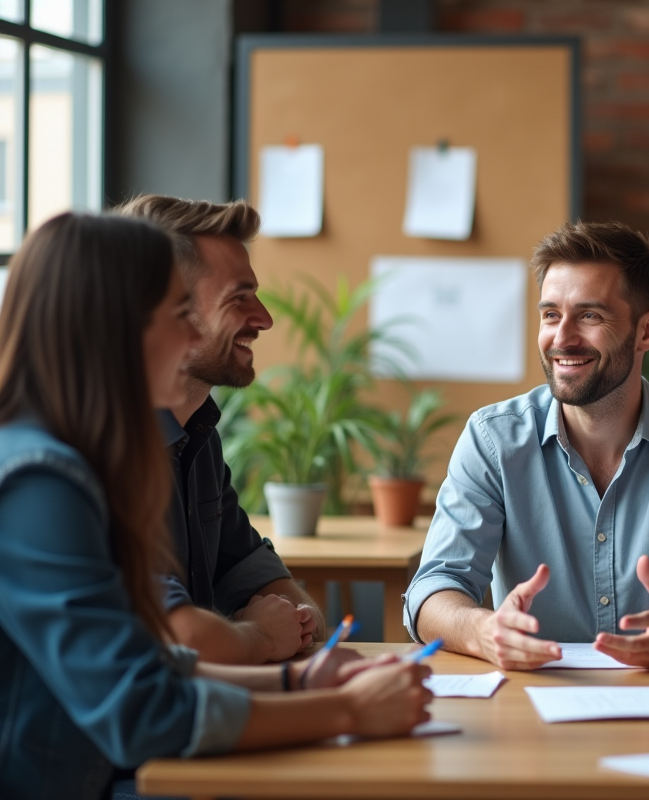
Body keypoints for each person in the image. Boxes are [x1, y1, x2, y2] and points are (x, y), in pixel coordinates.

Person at [0, 213, 432, 800]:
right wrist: (346, 712)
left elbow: (148, 665)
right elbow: (141, 710)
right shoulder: (38, 480)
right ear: (117, 328)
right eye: (178, 315)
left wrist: (300, 681)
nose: (188, 339)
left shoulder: (79, 462)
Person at [404, 221, 649, 669]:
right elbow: (433, 587)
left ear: (648, 331)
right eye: (551, 315)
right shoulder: (492, 439)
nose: (562, 338)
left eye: (589, 315)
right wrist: (481, 631)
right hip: (532, 701)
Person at [116, 195, 322, 664]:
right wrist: (263, 637)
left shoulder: (199, 434)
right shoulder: (100, 446)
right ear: (167, 309)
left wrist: (298, 617)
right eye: (239, 297)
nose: (265, 318)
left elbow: (249, 568)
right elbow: (171, 634)